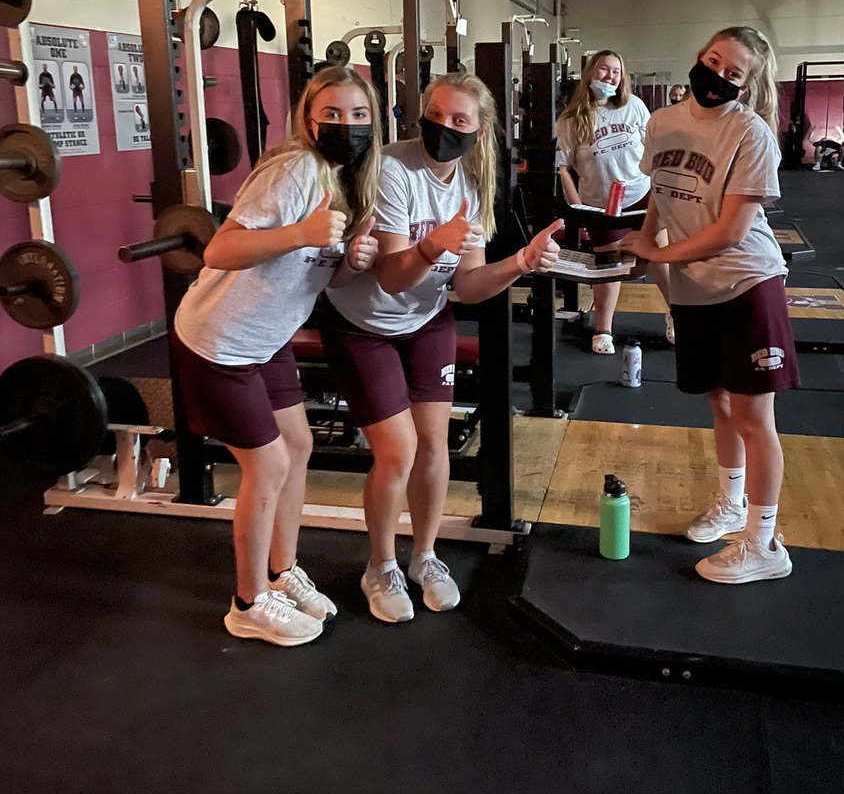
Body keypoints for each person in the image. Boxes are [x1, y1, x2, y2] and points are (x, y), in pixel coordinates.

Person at [318, 71, 562, 623]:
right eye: (436, 115)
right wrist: (435, 243)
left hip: (426, 321)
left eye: (459, 120)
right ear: (420, 114)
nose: (444, 127)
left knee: (434, 445)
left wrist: (521, 262)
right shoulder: (392, 169)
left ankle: (424, 556)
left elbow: (469, 285)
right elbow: (392, 278)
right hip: (364, 323)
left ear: (479, 131)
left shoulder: (472, 185)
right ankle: (380, 564)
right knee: (398, 450)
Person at [171, 65, 382, 645]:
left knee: (298, 445)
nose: (347, 125)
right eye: (332, 114)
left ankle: (281, 571)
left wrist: (349, 262)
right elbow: (220, 247)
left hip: (265, 341)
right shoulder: (297, 169)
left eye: (358, 115)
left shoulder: (348, 180)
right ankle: (248, 602)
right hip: (220, 341)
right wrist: (301, 234)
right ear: (308, 120)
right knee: (267, 465)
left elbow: (313, 273)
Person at [620, 26, 799, 584]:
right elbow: (661, 196)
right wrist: (644, 252)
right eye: (713, 61)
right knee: (720, 405)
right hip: (692, 287)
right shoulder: (662, 121)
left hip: (748, 282)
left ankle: (764, 542)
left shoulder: (750, 134)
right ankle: (730, 504)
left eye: (733, 73)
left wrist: (657, 250)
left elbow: (731, 231)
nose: (717, 75)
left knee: (753, 416)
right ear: (699, 56)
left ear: (747, 85)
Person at [556, 49, 672, 353]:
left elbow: (654, 149)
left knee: (659, 253)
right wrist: (577, 207)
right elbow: (563, 168)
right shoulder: (572, 119)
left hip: (641, 194)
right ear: (591, 74)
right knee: (608, 265)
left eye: (616, 72)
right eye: (604, 70)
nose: (610, 76)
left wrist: (661, 187)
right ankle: (603, 329)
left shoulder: (634, 106)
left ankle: (677, 314)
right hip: (601, 204)